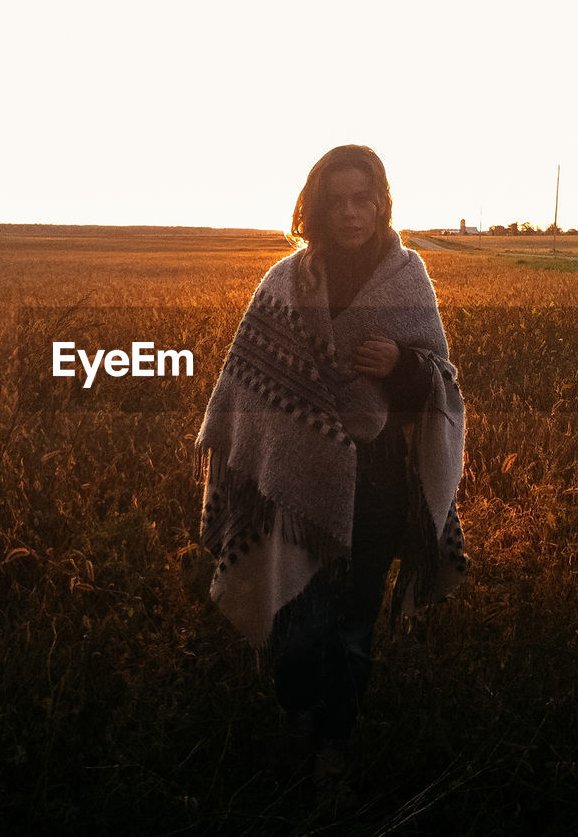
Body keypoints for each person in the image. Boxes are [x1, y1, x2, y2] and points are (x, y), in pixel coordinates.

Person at [196, 144, 469, 787]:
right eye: (336, 200)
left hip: (375, 489)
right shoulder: (285, 281)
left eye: (363, 199)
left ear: (381, 204)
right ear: (316, 208)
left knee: (351, 628)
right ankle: (297, 721)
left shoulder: (408, 277)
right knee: (297, 624)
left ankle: (334, 745)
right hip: (293, 492)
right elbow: (247, 377)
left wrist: (400, 365)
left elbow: (441, 389)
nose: (351, 213)